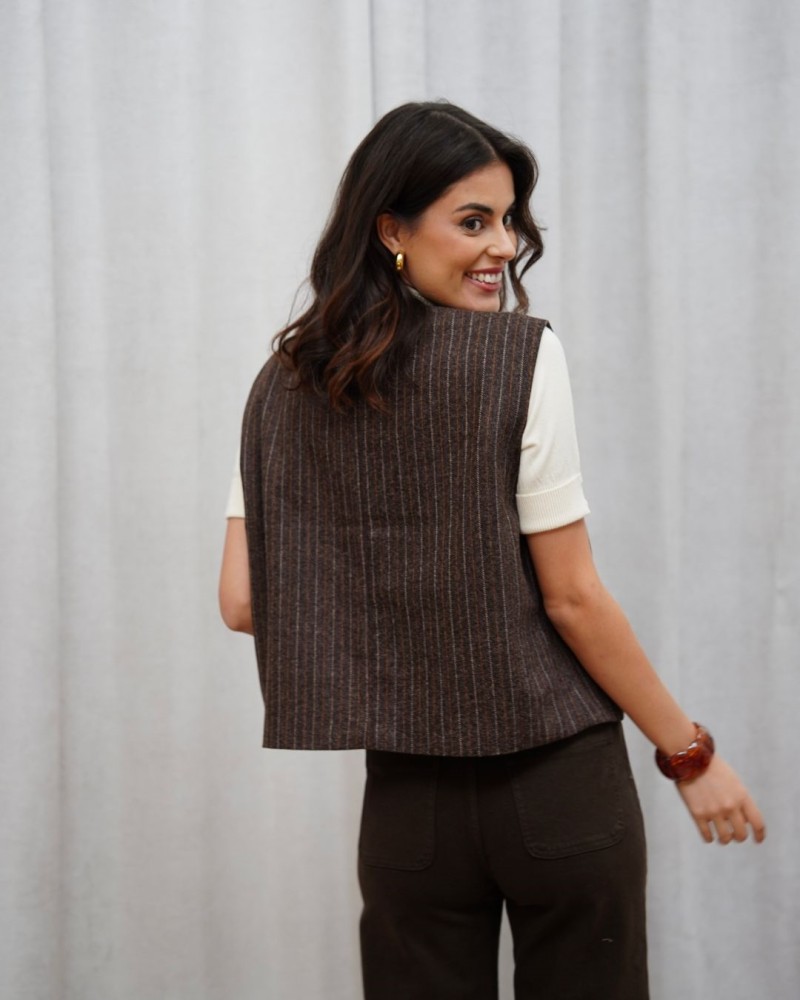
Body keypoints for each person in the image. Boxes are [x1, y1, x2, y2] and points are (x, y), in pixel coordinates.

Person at [218, 101, 765, 1000]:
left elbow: (244, 602)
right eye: (473, 221)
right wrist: (690, 756)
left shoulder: (282, 385)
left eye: (508, 221)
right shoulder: (519, 357)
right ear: (391, 229)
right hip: (559, 786)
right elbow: (573, 599)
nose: (505, 247)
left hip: (409, 805)